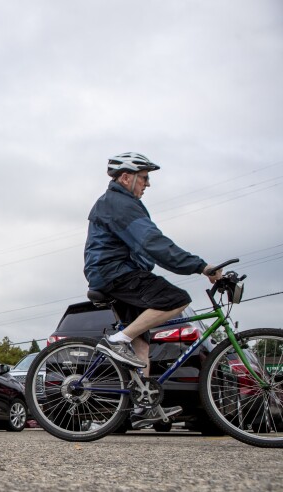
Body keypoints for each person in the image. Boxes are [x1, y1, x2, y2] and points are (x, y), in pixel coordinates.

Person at [83, 152, 221, 428]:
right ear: (126, 177)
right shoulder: (118, 203)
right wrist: (201, 266)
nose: (147, 184)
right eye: (144, 178)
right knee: (176, 299)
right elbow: (153, 243)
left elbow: (148, 249)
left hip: (121, 271)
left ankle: (143, 405)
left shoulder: (123, 203)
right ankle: (117, 340)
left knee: (142, 347)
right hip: (114, 272)